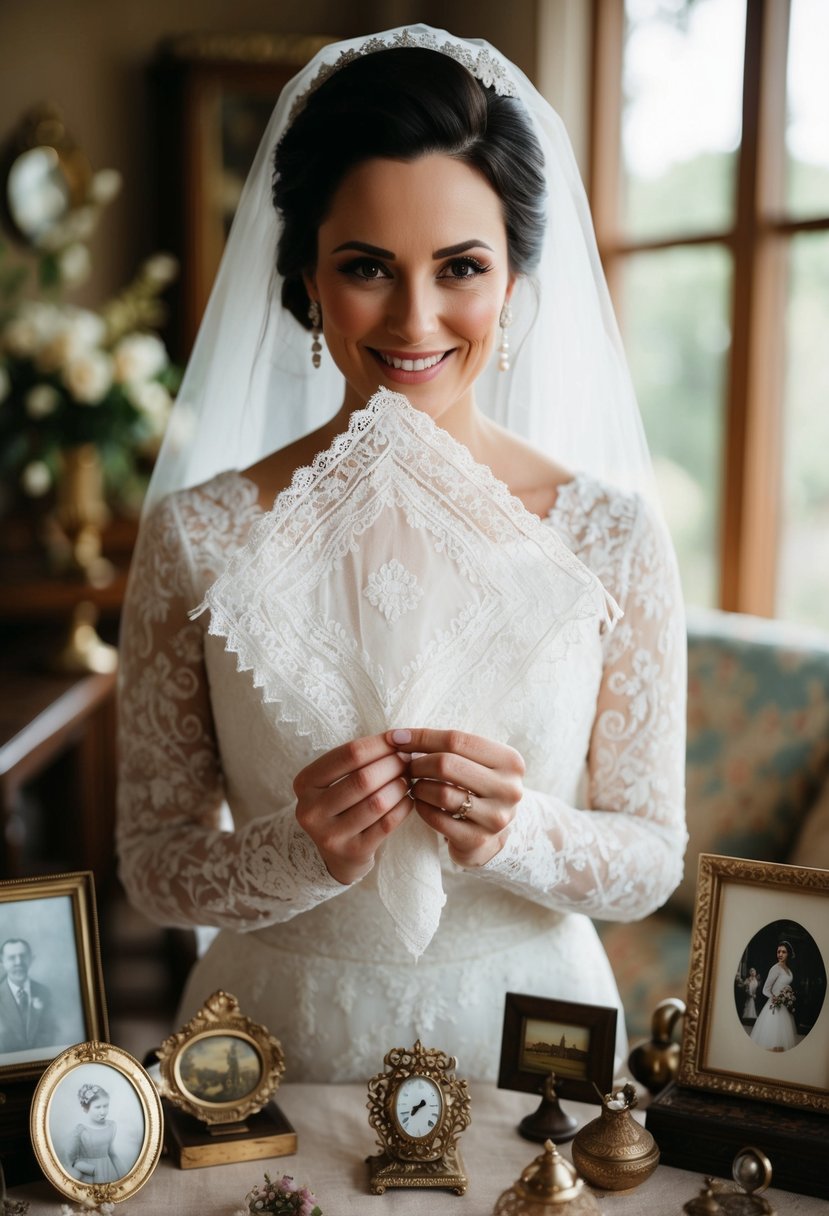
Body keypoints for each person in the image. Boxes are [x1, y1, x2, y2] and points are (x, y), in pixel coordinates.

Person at [116, 26, 686, 1082]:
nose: (414, 319)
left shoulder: (608, 533)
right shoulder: (200, 533)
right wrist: (303, 848)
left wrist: (519, 830)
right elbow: (153, 866)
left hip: (536, 1054)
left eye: (460, 267)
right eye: (367, 267)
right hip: (273, 1052)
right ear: (306, 280)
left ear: (513, 281)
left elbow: (652, 855)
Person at [0, 938, 57, 1054]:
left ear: (31, 959)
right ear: (2, 963)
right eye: (12, 958)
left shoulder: (44, 992)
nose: (18, 962)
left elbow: (52, 1030)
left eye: (23, 956)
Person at [65, 1083, 125, 1183]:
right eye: (98, 1107)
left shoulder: (111, 1126)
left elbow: (112, 1153)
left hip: (108, 1171)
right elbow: (71, 1159)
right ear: (86, 1108)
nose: (103, 1111)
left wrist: (124, 1177)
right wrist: (92, 1170)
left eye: (106, 1106)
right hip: (89, 1174)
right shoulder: (81, 1130)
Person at [750, 942, 798, 1052]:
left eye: (783, 952)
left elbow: (785, 986)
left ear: (788, 954)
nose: (780, 954)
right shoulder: (775, 968)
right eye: (778, 952)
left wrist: (788, 995)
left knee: (782, 1043)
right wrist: (776, 998)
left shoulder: (788, 970)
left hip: (784, 1007)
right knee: (771, 1041)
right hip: (774, 1006)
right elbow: (765, 990)